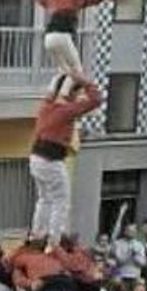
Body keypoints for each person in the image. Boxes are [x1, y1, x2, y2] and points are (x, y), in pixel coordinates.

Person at [28, 73, 102, 243]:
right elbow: (96, 100)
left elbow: (52, 90)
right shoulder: (66, 110)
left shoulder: (46, 106)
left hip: (36, 157)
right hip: (51, 160)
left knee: (45, 199)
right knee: (61, 201)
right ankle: (54, 239)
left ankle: (38, 234)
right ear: (71, 92)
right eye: (78, 93)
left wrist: (64, 78)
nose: (79, 97)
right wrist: (83, 80)